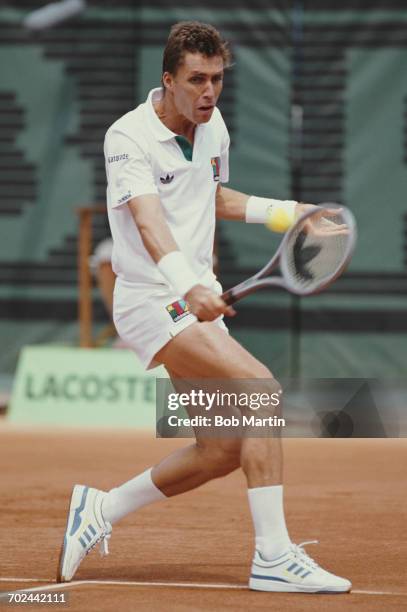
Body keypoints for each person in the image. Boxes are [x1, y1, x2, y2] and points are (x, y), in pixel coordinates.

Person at [57, 21, 351, 594]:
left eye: (217, 79)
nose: (208, 92)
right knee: (261, 390)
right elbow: (147, 220)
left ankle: (101, 509)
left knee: (220, 450)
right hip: (150, 301)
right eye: (196, 80)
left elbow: (210, 196)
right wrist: (187, 284)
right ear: (167, 80)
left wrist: (293, 212)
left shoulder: (212, 126)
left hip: (189, 296)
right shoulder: (127, 137)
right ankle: (272, 555)